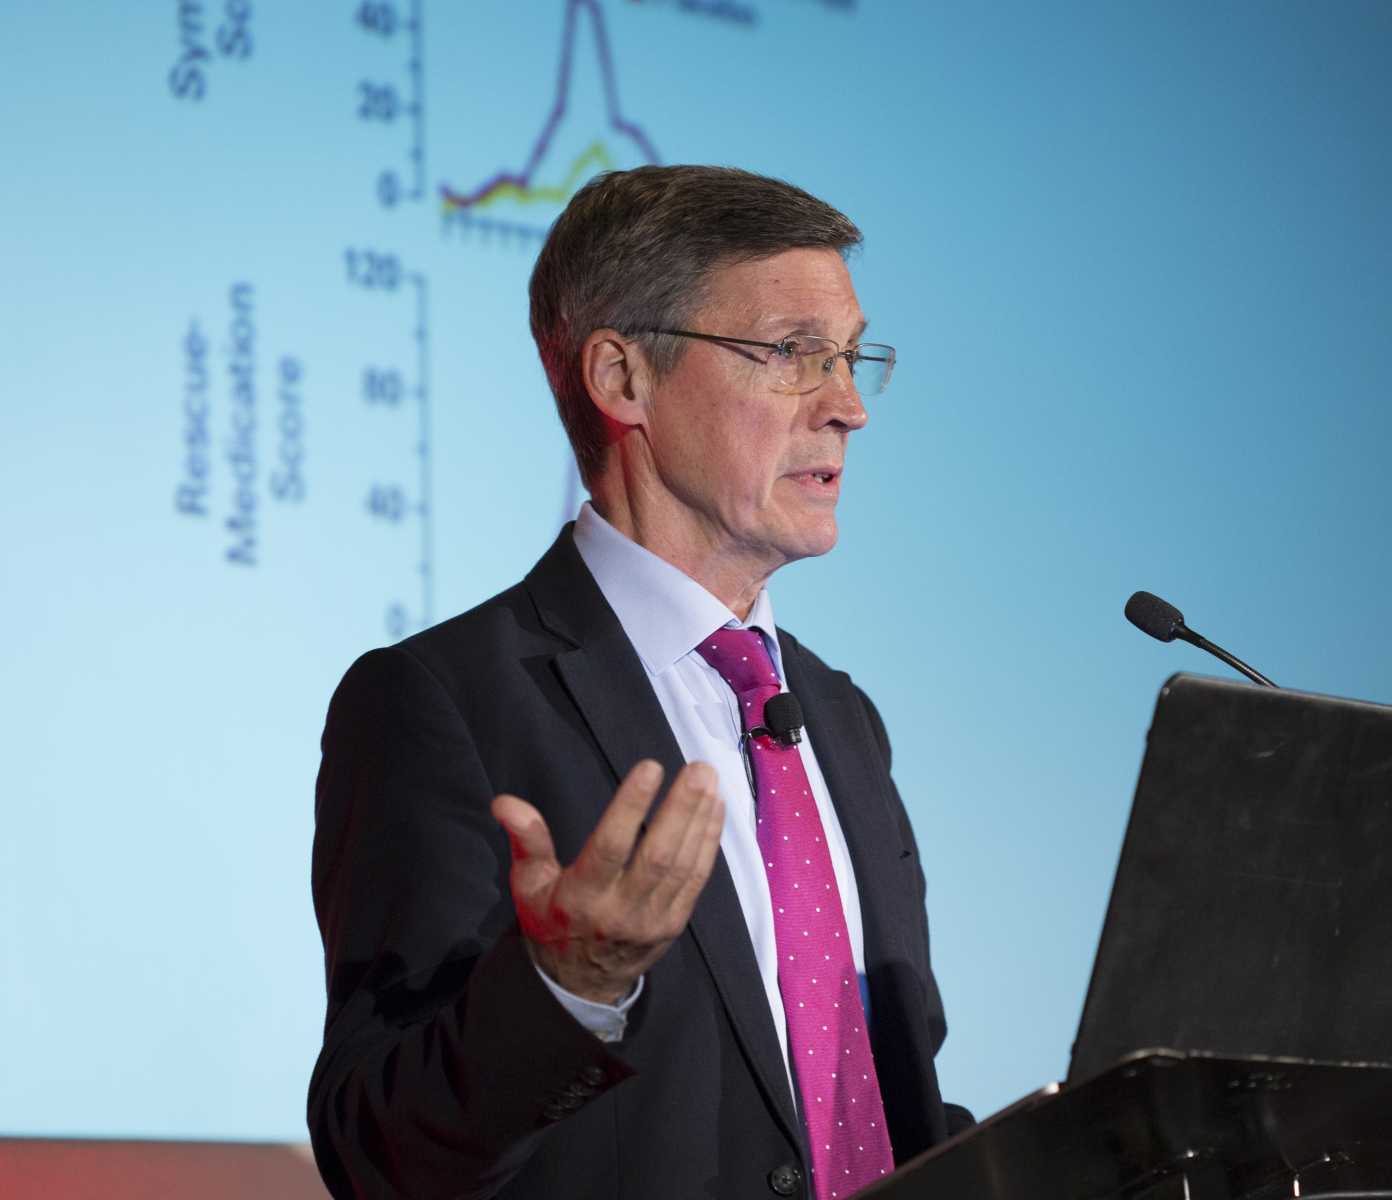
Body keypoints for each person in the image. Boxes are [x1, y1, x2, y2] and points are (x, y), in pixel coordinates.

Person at [308, 165, 971, 1200]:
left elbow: (889, 1110)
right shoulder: (444, 704)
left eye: (850, 357)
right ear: (622, 379)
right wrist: (565, 991)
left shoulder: (843, 717)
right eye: (793, 354)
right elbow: (379, 1153)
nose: (848, 408)